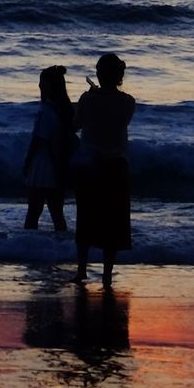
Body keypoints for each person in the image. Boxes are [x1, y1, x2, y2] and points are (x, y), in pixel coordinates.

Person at [71, 51, 136, 284]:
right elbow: (119, 121)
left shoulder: (88, 99)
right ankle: (107, 273)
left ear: (99, 74)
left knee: (86, 217)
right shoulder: (128, 102)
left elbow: (75, 125)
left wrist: (90, 97)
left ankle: (81, 270)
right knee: (113, 221)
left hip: (91, 165)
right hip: (117, 166)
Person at [21, 65, 74, 232]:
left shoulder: (46, 111)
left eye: (41, 83)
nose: (39, 86)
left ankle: (29, 248)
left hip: (43, 164)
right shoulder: (64, 110)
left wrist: (28, 161)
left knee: (33, 213)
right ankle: (64, 250)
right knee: (57, 213)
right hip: (59, 164)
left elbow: (39, 140)